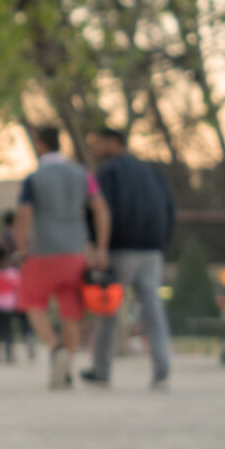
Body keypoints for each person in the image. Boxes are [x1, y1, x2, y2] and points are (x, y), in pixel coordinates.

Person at [15, 126, 112, 390]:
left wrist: (21, 247)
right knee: (71, 310)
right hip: (75, 252)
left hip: (43, 252)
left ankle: (55, 348)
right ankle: (66, 367)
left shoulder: (34, 178)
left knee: (33, 302)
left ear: (40, 145)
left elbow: (24, 215)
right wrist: (101, 247)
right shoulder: (83, 174)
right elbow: (101, 209)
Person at [79, 127, 176, 390]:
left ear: (113, 142)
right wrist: (162, 244)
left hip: (120, 249)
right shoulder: (152, 172)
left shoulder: (109, 173)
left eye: (97, 143)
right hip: (152, 250)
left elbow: (99, 211)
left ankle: (101, 370)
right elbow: (169, 209)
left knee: (107, 309)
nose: (94, 149)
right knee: (153, 310)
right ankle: (162, 368)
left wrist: (100, 246)